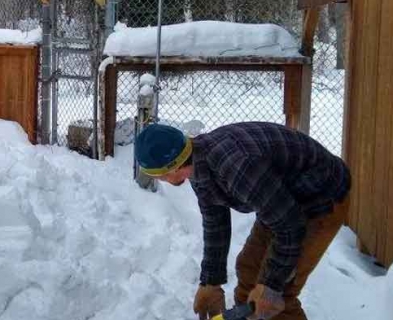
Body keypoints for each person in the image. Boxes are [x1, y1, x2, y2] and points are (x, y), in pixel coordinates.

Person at [134, 122, 351, 320]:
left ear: (172, 168)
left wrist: (271, 285)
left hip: (321, 197)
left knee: (275, 298)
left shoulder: (236, 164)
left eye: (159, 176)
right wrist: (211, 281)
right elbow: (215, 223)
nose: (160, 181)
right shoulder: (198, 164)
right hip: (280, 201)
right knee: (249, 270)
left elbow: (290, 226)